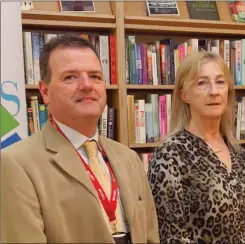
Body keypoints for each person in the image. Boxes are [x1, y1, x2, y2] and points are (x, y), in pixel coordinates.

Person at [1, 35, 159, 243]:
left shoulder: (129, 158)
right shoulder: (16, 163)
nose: (87, 85)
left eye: (95, 76)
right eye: (70, 77)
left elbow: (149, 236)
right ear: (45, 91)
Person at [147, 51, 245, 243]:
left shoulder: (239, 154)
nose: (214, 91)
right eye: (202, 83)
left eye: (220, 82)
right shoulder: (170, 155)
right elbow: (170, 237)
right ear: (184, 95)